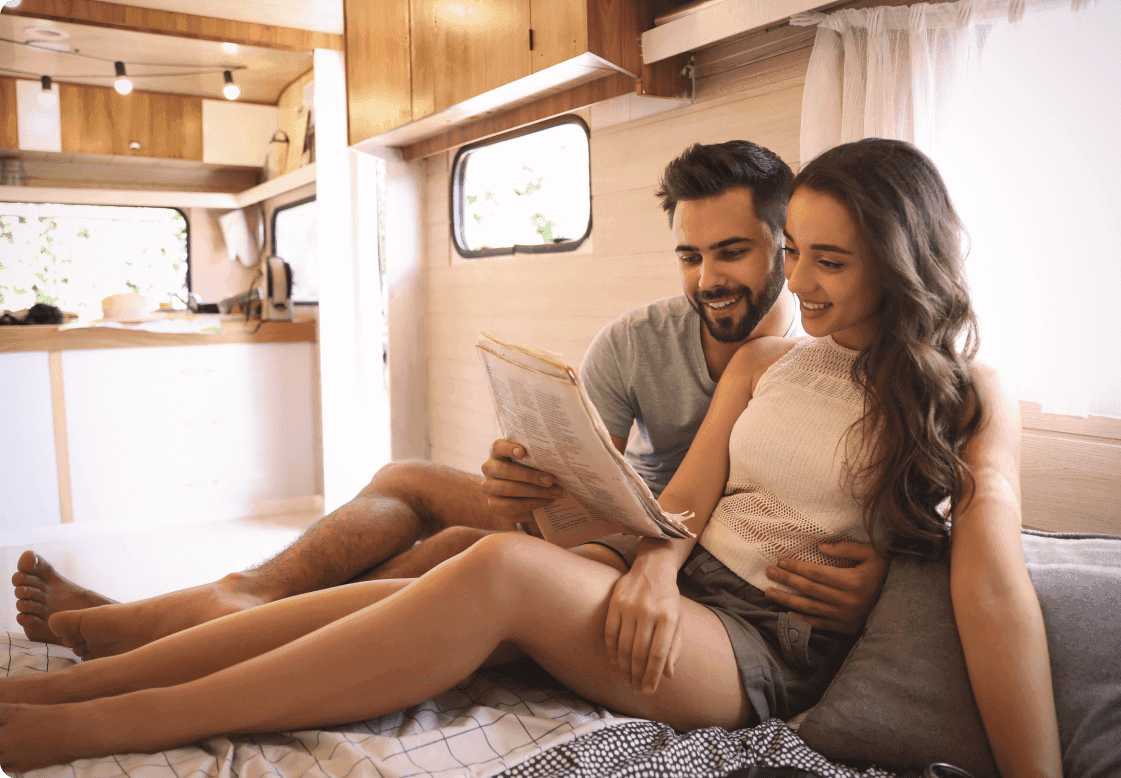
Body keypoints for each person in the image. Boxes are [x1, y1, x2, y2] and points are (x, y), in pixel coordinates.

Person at [0, 138, 1061, 778]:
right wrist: (648, 561)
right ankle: (70, 695)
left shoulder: (970, 398)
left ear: (904, 261)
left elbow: (999, 595)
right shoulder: (772, 361)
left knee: (495, 569)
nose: (806, 283)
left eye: (831, 262)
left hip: (758, 647)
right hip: (672, 581)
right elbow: (683, 500)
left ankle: (104, 721)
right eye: (802, 257)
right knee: (446, 561)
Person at [12, 141, 888, 660]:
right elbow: (583, 465)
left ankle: (200, 624)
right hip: (614, 521)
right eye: (688, 256)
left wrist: (879, 580)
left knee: (457, 550)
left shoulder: (822, 352)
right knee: (413, 478)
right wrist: (519, 473)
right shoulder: (636, 338)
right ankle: (239, 598)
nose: (707, 279)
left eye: (731, 252)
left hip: (678, 554)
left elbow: (873, 499)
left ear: (790, 245)